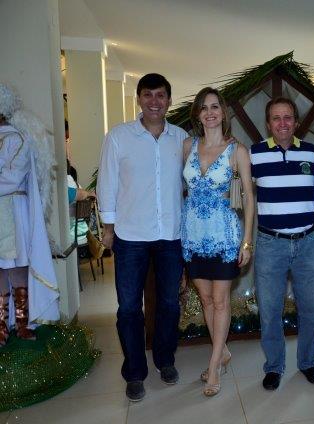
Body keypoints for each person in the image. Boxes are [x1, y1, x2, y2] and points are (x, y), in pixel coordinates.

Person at [97, 73, 188, 402]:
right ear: (139, 99)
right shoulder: (119, 136)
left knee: (169, 303)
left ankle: (165, 359)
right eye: (148, 94)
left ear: (169, 101)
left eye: (160, 95)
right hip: (130, 235)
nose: (154, 101)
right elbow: (107, 182)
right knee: (128, 308)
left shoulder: (181, 138)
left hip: (170, 234)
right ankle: (135, 372)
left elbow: (192, 179)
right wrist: (108, 227)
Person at [181, 87, 254, 397]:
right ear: (197, 114)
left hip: (224, 236)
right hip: (193, 235)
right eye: (203, 107)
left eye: (214, 107)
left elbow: (249, 199)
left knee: (221, 301)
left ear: (223, 112)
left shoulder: (237, 151)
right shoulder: (187, 146)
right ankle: (221, 352)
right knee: (206, 300)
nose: (209, 112)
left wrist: (247, 242)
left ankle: (214, 367)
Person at [250, 97, 314, 390]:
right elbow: (241, 192)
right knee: (269, 311)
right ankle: (274, 366)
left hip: (308, 243)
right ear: (268, 123)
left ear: (296, 121)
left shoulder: (311, 152)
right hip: (271, 244)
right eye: (276, 118)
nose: (283, 123)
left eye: (288, 117)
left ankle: (307, 362)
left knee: (312, 310)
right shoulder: (255, 154)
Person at [0, 83, 59, 347]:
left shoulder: (19, 139)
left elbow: (12, 177)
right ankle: (2, 325)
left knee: (18, 267)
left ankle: (22, 324)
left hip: (15, 212)